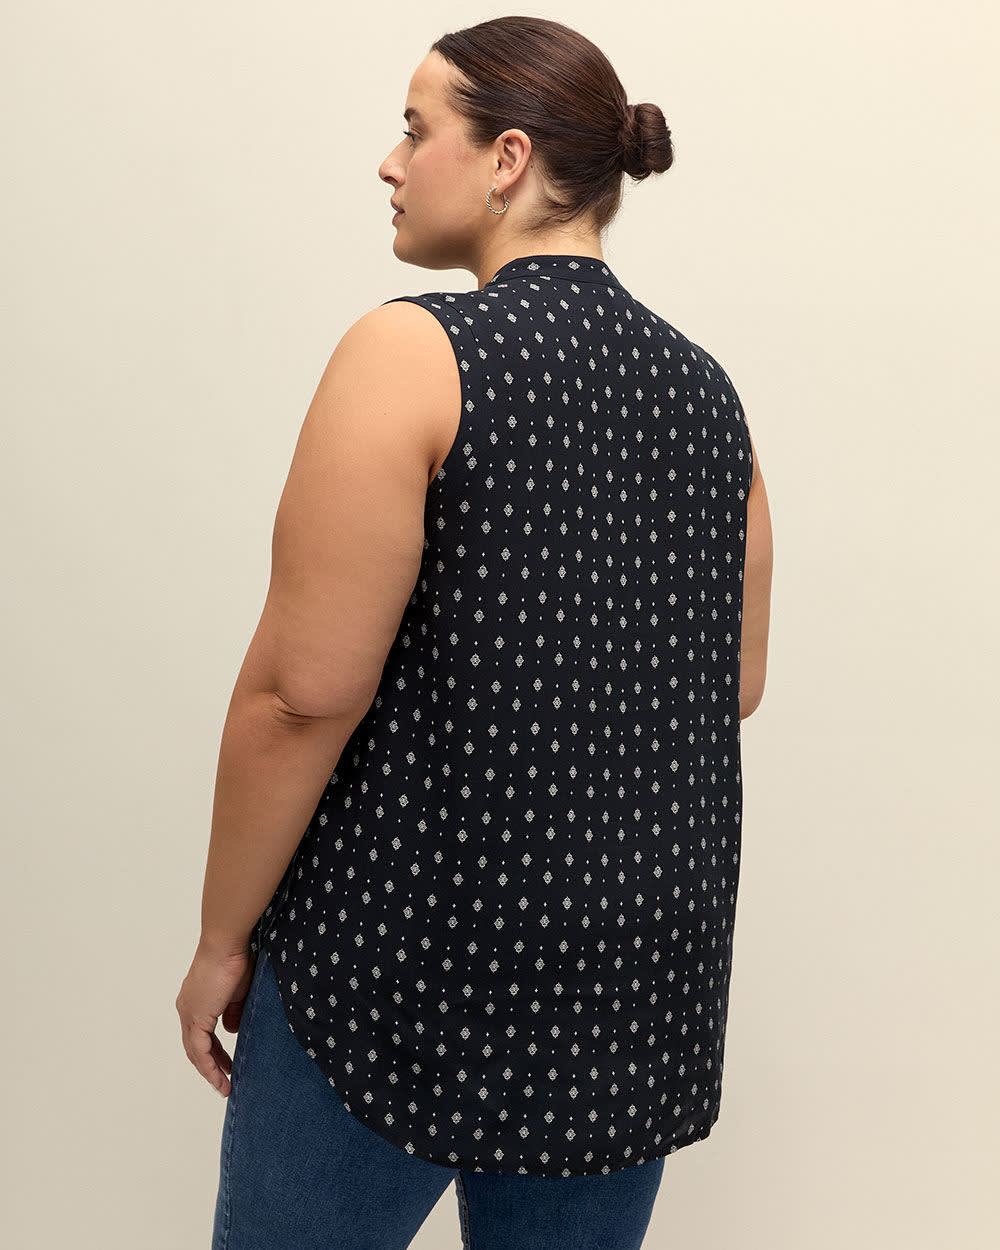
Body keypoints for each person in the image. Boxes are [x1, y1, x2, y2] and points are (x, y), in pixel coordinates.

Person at [176, 16, 773, 1250]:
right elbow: (733, 683)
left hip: (399, 960)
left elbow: (300, 693)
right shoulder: (707, 392)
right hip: (631, 983)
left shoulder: (413, 350)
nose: (389, 162)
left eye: (414, 129)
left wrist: (222, 938)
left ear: (507, 159)